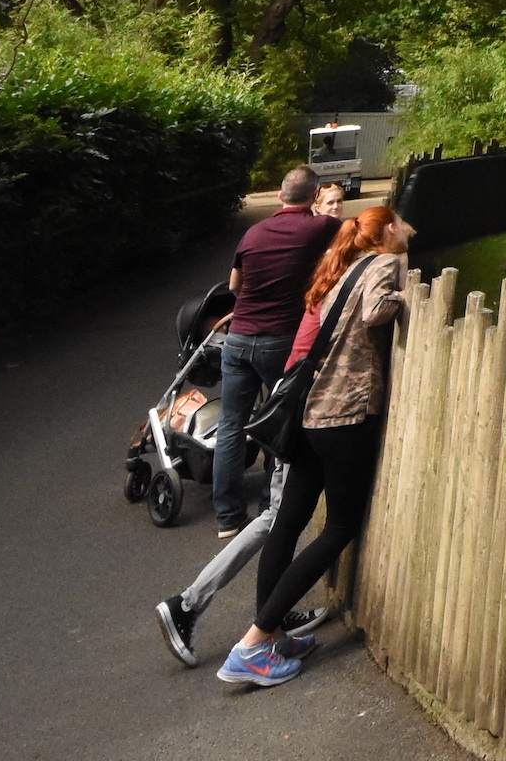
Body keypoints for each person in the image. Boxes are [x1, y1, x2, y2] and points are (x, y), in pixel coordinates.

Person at [217, 204, 412, 689]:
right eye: (403, 223)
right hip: (343, 414)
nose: (411, 230)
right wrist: (406, 295)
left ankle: (273, 634)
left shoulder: (341, 264)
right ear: (387, 230)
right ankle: (252, 645)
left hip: (308, 414)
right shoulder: (384, 262)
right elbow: (375, 312)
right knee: (339, 526)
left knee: (290, 520)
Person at [211, 167, 340, 537]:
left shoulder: (253, 232)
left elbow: (235, 285)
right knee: (281, 419)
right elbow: (356, 239)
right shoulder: (319, 228)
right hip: (279, 341)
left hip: (238, 339)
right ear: (315, 196)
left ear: (280, 196)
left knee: (232, 424)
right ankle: (271, 505)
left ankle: (227, 516)